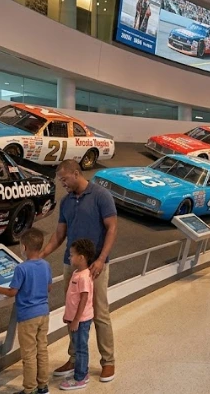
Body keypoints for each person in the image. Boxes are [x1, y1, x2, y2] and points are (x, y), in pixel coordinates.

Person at [42, 160, 117, 382]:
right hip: (71, 265)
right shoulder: (66, 201)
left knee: (100, 313)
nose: (62, 183)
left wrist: (101, 259)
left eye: (64, 179)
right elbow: (59, 234)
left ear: (76, 174)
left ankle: (108, 361)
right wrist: (41, 254)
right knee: (73, 312)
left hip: (96, 266)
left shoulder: (101, 195)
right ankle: (74, 358)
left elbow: (112, 227)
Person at [0, 229, 52, 394]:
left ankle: (30, 389)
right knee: (42, 350)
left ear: (24, 247)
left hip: (28, 316)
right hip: (44, 313)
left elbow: (12, 292)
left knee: (28, 354)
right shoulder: (46, 265)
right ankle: (43, 386)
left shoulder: (22, 268)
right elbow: (48, 287)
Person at [59, 240, 96, 391]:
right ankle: (81, 372)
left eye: (72, 255)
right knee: (78, 346)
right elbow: (72, 298)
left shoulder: (84, 277)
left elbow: (84, 300)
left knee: (81, 348)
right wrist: (68, 315)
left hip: (81, 320)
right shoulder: (76, 273)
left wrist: (75, 320)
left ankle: (80, 378)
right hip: (75, 319)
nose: (69, 257)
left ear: (81, 257)